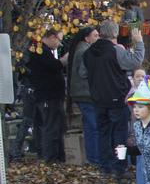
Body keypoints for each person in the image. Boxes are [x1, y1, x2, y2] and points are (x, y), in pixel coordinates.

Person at [82, 19, 145, 176]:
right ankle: (119, 167)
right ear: (115, 33)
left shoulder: (88, 52)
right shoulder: (115, 50)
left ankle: (105, 166)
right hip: (117, 98)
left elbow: (83, 73)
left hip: (97, 99)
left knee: (103, 134)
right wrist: (139, 43)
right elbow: (135, 61)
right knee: (120, 136)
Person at [27, 30, 67, 162]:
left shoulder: (41, 50)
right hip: (48, 95)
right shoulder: (40, 51)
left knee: (50, 125)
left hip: (48, 95)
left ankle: (51, 155)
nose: (60, 44)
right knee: (51, 126)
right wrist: (65, 59)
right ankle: (51, 157)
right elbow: (54, 66)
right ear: (51, 37)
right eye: (59, 40)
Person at [67, 26, 101, 166]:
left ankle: (92, 157)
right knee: (94, 126)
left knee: (89, 126)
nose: (98, 38)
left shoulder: (80, 49)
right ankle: (95, 158)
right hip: (86, 93)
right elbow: (83, 73)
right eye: (95, 35)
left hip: (80, 93)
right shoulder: (86, 51)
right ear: (87, 38)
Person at [126, 68, 150, 184]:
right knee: (142, 168)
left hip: (145, 132)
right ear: (133, 79)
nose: (141, 79)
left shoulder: (148, 93)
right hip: (140, 133)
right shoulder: (135, 95)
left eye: (143, 76)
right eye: (137, 76)